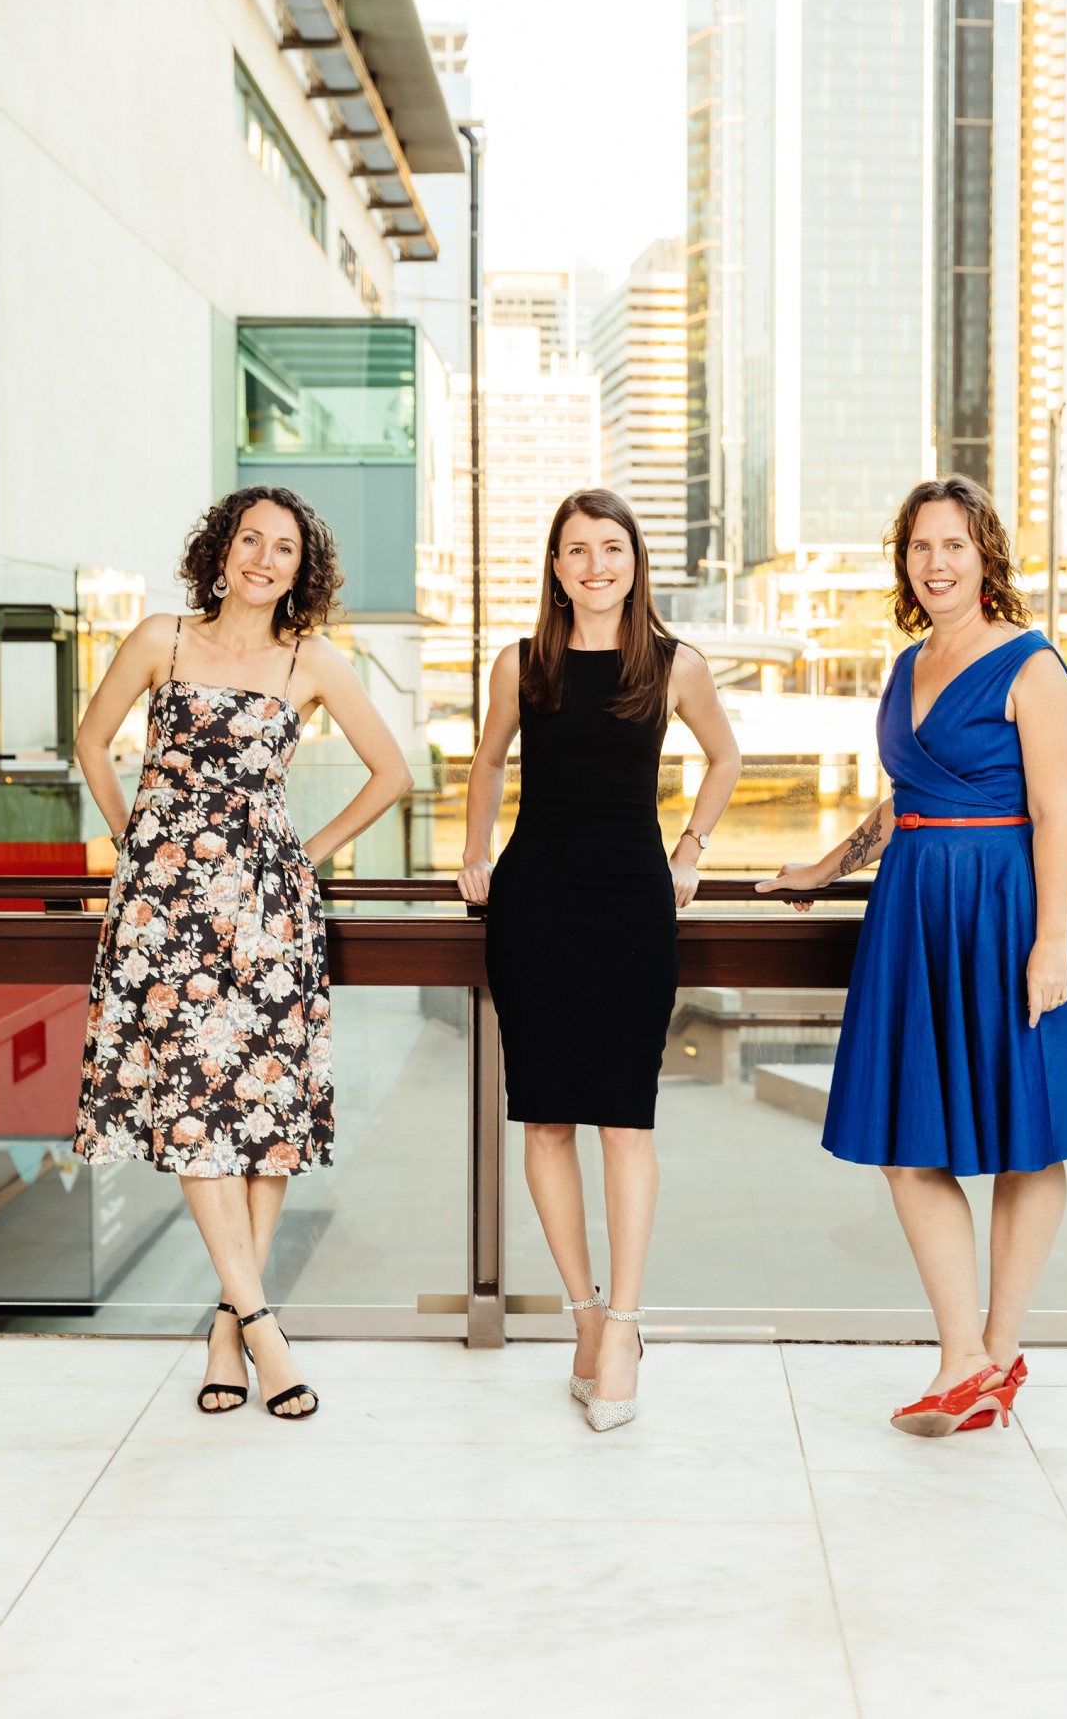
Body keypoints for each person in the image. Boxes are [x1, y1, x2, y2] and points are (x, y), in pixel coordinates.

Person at [756, 475, 1067, 1436]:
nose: (936, 562)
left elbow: (1057, 811)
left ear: (986, 557)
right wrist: (822, 863)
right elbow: (906, 799)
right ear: (905, 560)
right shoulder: (907, 665)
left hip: (1012, 908)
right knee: (906, 1143)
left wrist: (1050, 941)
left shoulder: (1033, 665)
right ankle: (964, 1354)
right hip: (918, 912)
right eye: (921, 546)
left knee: (1030, 1132)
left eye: (955, 545)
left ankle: (996, 1351)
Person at [74, 485, 413, 1418]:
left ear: (302, 571)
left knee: (261, 1124)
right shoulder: (160, 639)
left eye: (286, 549)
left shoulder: (312, 660)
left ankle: (229, 1330)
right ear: (220, 550)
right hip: (164, 914)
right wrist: (136, 839)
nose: (265, 559)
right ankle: (265, 1324)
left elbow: (393, 773)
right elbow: (93, 740)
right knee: (193, 1109)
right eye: (250, 540)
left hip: (266, 914)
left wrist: (305, 855)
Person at [458, 488, 740, 1431]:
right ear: (555, 565)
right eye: (576, 550)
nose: (595, 566)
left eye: (611, 548)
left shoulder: (672, 663)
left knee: (625, 1120)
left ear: (635, 559)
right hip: (533, 900)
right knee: (543, 1120)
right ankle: (582, 1314)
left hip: (631, 902)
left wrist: (691, 848)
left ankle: (623, 1323)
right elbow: (490, 763)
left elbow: (726, 759)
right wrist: (473, 851)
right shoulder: (521, 663)